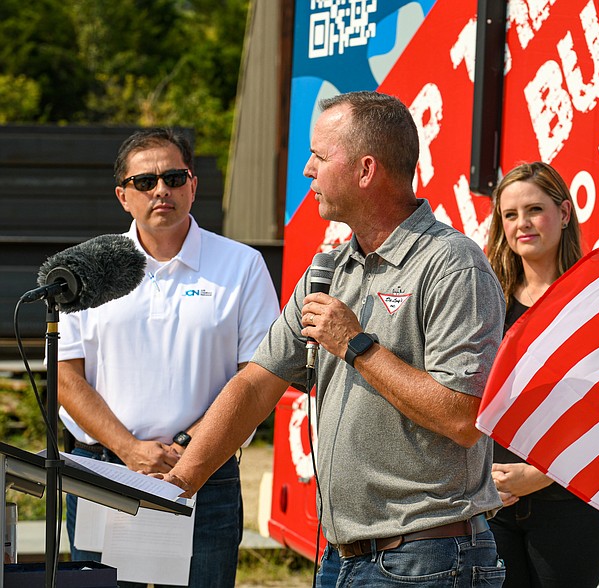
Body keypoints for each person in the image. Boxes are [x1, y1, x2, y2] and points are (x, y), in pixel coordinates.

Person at [156, 91, 507, 587]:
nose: (306, 170)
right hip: (341, 560)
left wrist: (358, 346)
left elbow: (465, 417)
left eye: (320, 156)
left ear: (366, 171)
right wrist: (179, 484)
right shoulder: (331, 269)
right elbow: (257, 383)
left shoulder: (453, 265)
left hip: (429, 559)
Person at [57, 127, 280, 588]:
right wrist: (129, 450)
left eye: (175, 177)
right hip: (106, 473)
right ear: (123, 195)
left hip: (206, 474)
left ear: (193, 186)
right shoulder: (85, 268)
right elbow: (65, 376)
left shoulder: (241, 265)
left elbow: (261, 377)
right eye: (145, 182)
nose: (162, 189)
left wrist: (188, 448)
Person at [485, 161, 599, 588]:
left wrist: (538, 476)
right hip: (495, 506)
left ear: (563, 213)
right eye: (510, 214)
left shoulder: (592, 300)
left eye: (534, 210)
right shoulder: (488, 301)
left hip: (571, 506)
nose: (522, 223)